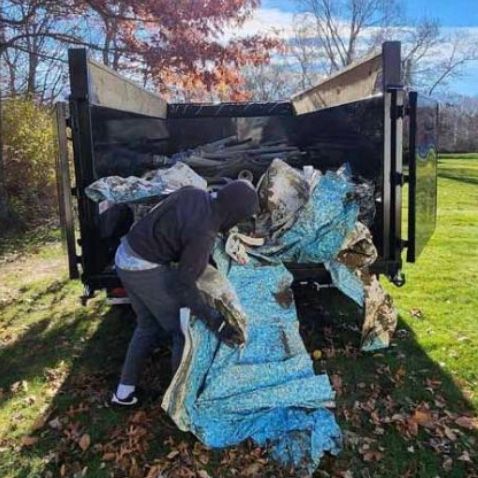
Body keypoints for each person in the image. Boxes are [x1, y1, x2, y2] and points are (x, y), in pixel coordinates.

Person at [111, 180, 259, 406]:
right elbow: (183, 284)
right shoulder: (205, 232)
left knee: (147, 325)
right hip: (141, 266)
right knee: (181, 330)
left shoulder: (194, 193)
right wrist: (215, 320)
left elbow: (178, 229)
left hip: (125, 253)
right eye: (239, 219)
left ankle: (123, 393)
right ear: (232, 213)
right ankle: (180, 402)